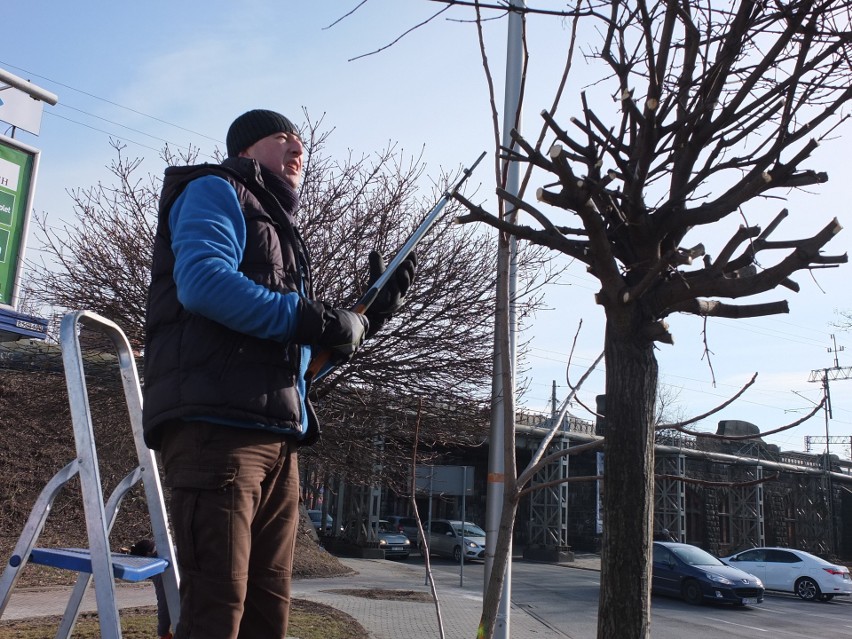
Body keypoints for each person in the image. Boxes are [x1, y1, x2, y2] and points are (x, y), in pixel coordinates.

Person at [142, 109, 416, 639]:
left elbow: (299, 363)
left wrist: (369, 317)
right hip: (217, 433)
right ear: (246, 149)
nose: (297, 150)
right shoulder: (214, 189)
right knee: (215, 612)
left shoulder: (281, 232)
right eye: (282, 138)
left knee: (268, 615)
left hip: (277, 438)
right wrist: (314, 318)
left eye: (302, 143)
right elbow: (202, 283)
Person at [129, 539, 172, 639]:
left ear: (148, 556)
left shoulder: (160, 567)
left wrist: (163, 632)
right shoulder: (170, 551)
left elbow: (164, 603)